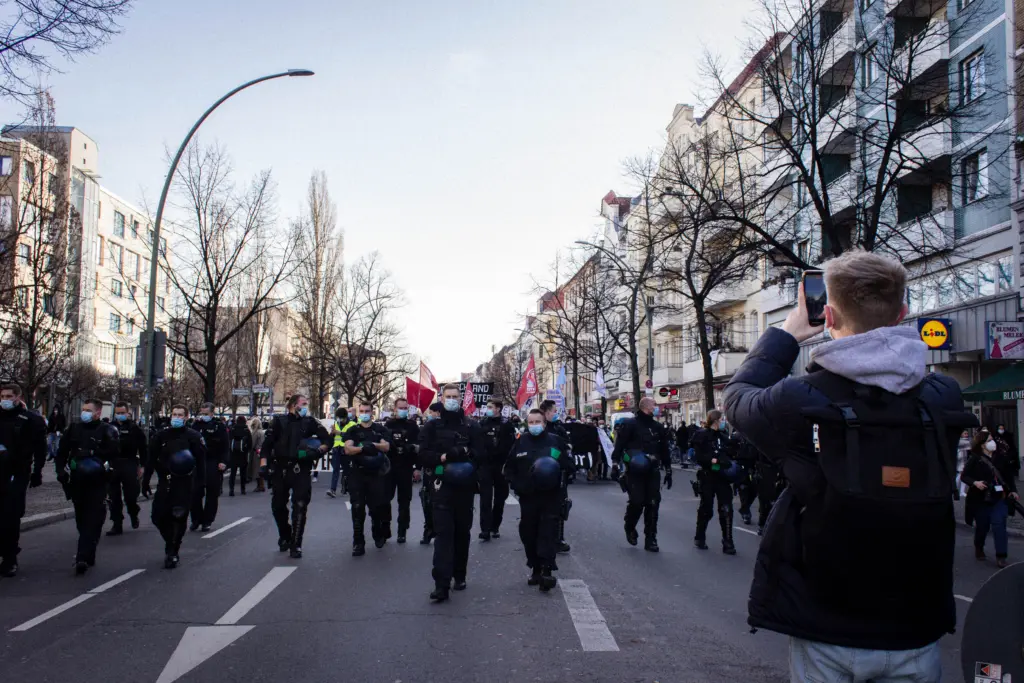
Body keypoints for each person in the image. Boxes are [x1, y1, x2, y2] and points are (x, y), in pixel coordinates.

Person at [723, 250, 975, 682]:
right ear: (904, 312)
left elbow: (738, 398)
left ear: (830, 315)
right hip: (915, 626)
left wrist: (787, 334)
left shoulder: (800, 400)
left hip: (826, 625)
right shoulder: (943, 396)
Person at [418, 385, 483, 602]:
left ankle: (460, 574)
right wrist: (443, 458)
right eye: (449, 397)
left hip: (465, 488)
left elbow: (481, 454)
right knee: (443, 536)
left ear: (461, 399)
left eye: (456, 397)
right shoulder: (431, 427)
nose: (452, 400)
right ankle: (441, 584)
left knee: (462, 534)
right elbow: (423, 455)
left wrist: (466, 453)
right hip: (440, 487)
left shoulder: (471, 426)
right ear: (442, 399)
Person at [504, 409, 572, 590]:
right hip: (528, 496)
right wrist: (516, 484)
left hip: (551, 495)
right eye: (531, 422)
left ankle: (547, 570)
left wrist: (558, 469)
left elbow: (569, 465)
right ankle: (535, 566)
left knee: (548, 532)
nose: (534, 425)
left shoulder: (556, 441)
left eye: (538, 422)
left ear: (544, 423)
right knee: (529, 532)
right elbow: (509, 468)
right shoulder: (520, 442)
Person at [56, 398, 119, 574]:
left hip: (98, 480)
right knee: (81, 519)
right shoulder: (74, 429)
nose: (84, 412)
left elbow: (114, 453)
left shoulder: (106, 430)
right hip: (77, 480)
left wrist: (95, 454)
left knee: (93, 517)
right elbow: (61, 452)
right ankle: (89, 547)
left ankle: (82, 556)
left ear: (98, 412)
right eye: (83, 409)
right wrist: (61, 471)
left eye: (88, 410)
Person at [265, 395, 330, 558]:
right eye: (303, 404)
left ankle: (296, 544)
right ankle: (285, 534)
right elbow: (267, 445)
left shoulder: (310, 422)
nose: (306, 406)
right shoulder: (279, 421)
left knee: (300, 506)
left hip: (301, 467)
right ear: (294, 405)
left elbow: (327, 440)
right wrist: (263, 466)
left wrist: (318, 450)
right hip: (281, 468)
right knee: (277, 506)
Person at [610, 397, 673, 552]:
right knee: (637, 501)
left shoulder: (657, 427)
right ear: (647, 407)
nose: (656, 407)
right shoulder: (630, 425)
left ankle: (651, 538)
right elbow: (620, 445)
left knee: (653, 503)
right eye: (654, 405)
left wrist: (669, 469)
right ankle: (629, 525)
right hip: (635, 470)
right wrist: (615, 463)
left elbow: (664, 449)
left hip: (652, 470)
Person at [148, 405, 206, 568]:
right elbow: (151, 458)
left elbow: (201, 461)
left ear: (186, 417)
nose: (176, 417)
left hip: (185, 482)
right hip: (165, 481)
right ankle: (170, 541)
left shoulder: (193, 436)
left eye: (180, 415)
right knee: (157, 516)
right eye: (174, 414)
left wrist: (201, 484)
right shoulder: (161, 436)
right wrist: (145, 480)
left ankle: (173, 550)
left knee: (179, 516)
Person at [0, 384, 47, 577]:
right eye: (2, 395)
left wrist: (38, 471)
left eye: (9, 396)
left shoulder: (31, 420)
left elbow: (40, 448)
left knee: (11, 515)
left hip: (17, 472)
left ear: (18, 397)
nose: (5, 399)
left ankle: (10, 557)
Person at [961, 428, 1016, 568]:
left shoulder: (1001, 457)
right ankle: (979, 546)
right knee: (982, 526)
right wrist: (975, 483)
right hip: (981, 499)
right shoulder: (975, 458)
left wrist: (1013, 491)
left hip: (999, 497)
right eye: (990, 440)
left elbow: (1009, 477)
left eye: (993, 440)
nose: (993, 443)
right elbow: (964, 476)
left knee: (999, 525)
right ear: (982, 444)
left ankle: (1001, 556)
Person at [344, 401, 393, 555]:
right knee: (357, 508)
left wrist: (373, 445)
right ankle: (358, 542)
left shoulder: (380, 429)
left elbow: (386, 446)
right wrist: (362, 448)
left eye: (367, 411)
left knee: (377, 507)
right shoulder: (353, 430)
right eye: (362, 411)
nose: (365, 413)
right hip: (357, 473)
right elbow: (348, 449)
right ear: (359, 413)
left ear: (372, 412)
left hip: (376, 474)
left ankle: (377, 531)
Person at [690, 410, 735, 554]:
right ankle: (700, 536)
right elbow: (697, 456)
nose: (723, 422)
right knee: (706, 507)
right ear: (716, 420)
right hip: (707, 476)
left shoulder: (723, 437)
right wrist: (712, 459)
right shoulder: (701, 435)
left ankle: (728, 540)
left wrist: (726, 461)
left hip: (722, 476)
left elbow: (730, 453)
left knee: (726, 508)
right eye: (721, 419)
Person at [476, 398, 515, 541]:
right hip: (485, 466)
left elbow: (511, 446)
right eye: (488, 406)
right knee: (485, 499)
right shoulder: (482, 424)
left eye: (491, 407)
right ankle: (485, 529)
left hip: (501, 466)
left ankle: (495, 526)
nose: (488, 409)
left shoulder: (506, 425)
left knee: (500, 498)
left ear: (498, 409)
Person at [107, 401, 146, 536]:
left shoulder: (135, 429)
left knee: (131, 495)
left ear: (128, 413)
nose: (120, 415)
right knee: (113, 497)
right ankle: (117, 523)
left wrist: (142, 466)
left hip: (129, 463)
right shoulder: (109, 427)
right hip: (113, 464)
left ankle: (133, 512)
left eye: (122, 413)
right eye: (118, 413)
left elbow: (143, 449)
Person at [384, 398, 419, 543]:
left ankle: (402, 531)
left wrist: (417, 468)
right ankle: (385, 529)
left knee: (404, 501)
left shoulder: (413, 426)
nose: (403, 410)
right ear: (395, 409)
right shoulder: (388, 425)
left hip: (406, 467)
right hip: (390, 467)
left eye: (405, 408)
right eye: (401, 407)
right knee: (385, 500)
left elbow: (419, 448)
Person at [190, 403, 229, 532]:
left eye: (206, 414)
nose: (204, 416)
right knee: (195, 493)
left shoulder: (219, 427)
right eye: (202, 413)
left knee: (212, 494)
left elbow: (225, 446)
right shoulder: (195, 426)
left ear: (212, 413)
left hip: (213, 462)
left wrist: (224, 462)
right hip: (197, 462)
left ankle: (207, 521)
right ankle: (196, 519)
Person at [539, 399, 572, 553]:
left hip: (558, 473)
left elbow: (567, 448)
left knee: (560, 506)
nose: (555, 413)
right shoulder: (537, 428)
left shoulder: (559, 429)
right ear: (546, 413)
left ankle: (558, 538)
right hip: (539, 474)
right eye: (553, 411)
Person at [418, 402, 443, 545]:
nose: (431, 415)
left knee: (437, 500)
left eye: (433, 412)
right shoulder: (429, 427)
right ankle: (429, 529)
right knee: (427, 499)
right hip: (430, 467)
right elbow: (422, 449)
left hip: (441, 467)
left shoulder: (447, 426)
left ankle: (436, 529)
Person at [731, 431, 758, 525]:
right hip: (741, 467)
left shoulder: (755, 437)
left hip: (753, 467)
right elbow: (731, 451)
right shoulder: (736, 437)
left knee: (754, 490)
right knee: (743, 490)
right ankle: (746, 513)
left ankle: (744, 509)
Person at [327, 408, 356, 498]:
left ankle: (345, 487)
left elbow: (351, 436)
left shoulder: (352, 424)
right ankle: (333, 490)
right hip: (337, 449)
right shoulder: (336, 424)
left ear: (345, 417)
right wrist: (331, 433)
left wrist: (339, 432)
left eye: (341, 418)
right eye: (338, 418)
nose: (339, 420)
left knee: (346, 470)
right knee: (335, 470)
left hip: (346, 449)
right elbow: (333, 437)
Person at [228, 416, 253, 496]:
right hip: (243, 454)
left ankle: (231, 490)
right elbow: (250, 443)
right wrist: (248, 450)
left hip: (233, 454)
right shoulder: (246, 430)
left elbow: (228, 440)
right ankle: (243, 489)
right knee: (243, 473)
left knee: (233, 473)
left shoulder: (232, 429)